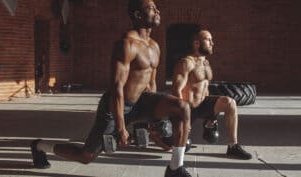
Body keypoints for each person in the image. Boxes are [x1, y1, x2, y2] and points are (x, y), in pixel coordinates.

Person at [31, 0, 193, 176]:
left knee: (182, 107)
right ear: (138, 15)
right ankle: (39, 146)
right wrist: (121, 126)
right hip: (116, 106)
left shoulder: (154, 46)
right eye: (151, 8)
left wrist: (151, 120)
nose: (157, 11)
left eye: (156, 7)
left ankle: (176, 168)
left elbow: (151, 83)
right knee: (86, 156)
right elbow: (117, 88)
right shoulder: (126, 44)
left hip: (142, 102)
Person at [172, 29, 252, 160]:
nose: (212, 43)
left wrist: (213, 114)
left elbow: (205, 87)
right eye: (208, 40)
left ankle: (233, 146)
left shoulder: (206, 62)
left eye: (211, 40)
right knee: (182, 146)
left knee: (230, 103)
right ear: (196, 43)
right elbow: (176, 90)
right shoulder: (186, 62)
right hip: (188, 108)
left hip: (203, 104)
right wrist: (181, 118)